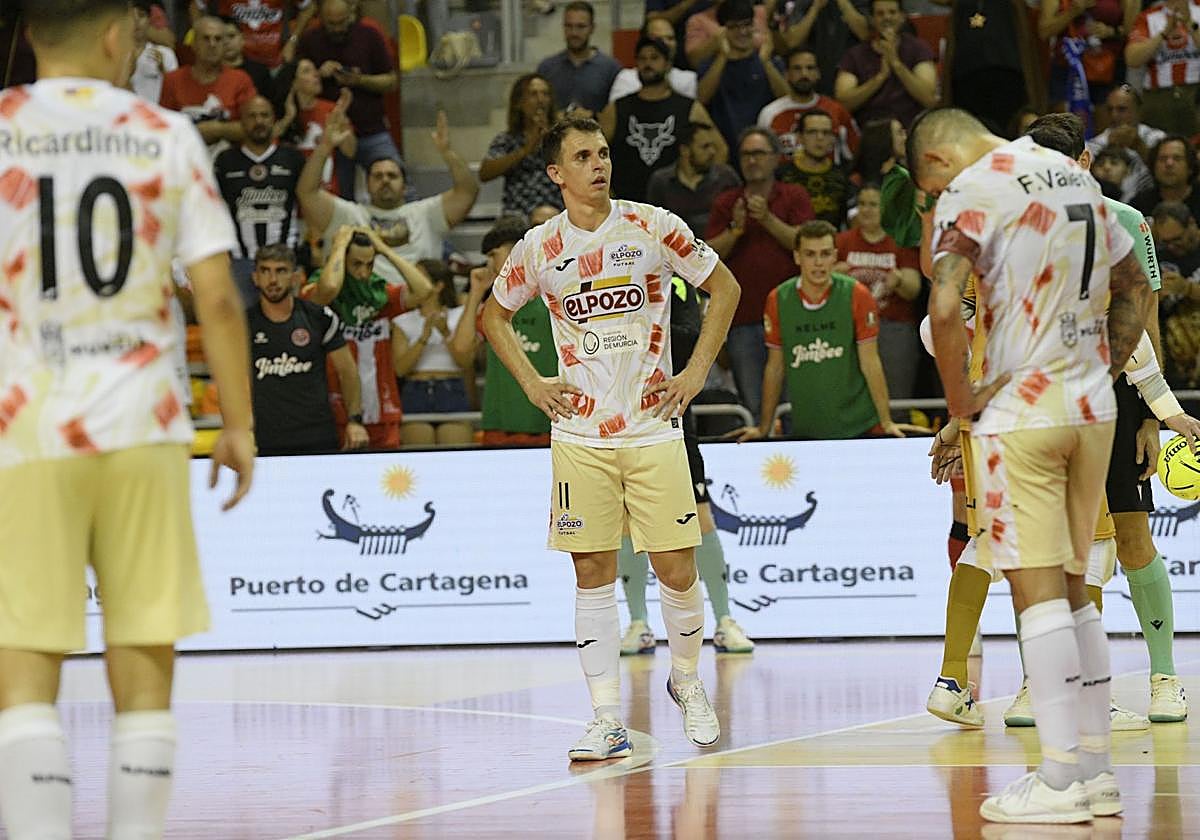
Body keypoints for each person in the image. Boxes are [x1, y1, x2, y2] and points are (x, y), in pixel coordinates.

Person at [0, 2, 254, 837]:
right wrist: (239, 426)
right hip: (143, 423)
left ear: (30, 33)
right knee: (144, 650)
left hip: (27, 428)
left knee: (24, 663)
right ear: (116, 37)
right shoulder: (163, 132)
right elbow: (217, 297)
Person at [911, 106, 1151, 823]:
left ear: (938, 161)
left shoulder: (974, 187)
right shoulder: (1077, 180)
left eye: (930, 187)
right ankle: (1097, 774)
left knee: (1036, 589)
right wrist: (1105, 368)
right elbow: (1136, 287)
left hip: (1023, 410)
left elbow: (944, 308)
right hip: (1092, 404)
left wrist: (963, 405)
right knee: (1078, 587)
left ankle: (1057, 778)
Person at [481, 115, 741, 759]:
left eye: (602, 153)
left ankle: (687, 681)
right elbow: (493, 317)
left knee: (677, 568)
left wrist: (695, 373)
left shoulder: (652, 225)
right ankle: (605, 718)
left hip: (653, 429)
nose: (598, 164)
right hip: (579, 435)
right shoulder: (540, 246)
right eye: (582, 157)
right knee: (591, 572)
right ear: (555, 173)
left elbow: (725, 287)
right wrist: (533, 384)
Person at [618, 276, 755, 656]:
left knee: (700, 516)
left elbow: (688, 340)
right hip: (618, 420)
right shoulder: (606, 279)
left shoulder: (676, 284)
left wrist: (634, 329)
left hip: (672, 418)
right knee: (626, 520)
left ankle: (725, 621)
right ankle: (639, 624)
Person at [730, 220, 904, 441]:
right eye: (810, 254)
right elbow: (775, 367)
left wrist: (886, 421)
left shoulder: (856, 294)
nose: (818, 262)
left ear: (835, 256)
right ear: (797, 257)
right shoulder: (778, 299)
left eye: (825, 254)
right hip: (806, 428)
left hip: (859, 428)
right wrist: (764, 427)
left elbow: (871, 362)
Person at [705, 126, 814, 418]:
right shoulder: (727, 202)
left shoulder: (794, 196)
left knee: (797, 406)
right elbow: (706, 255)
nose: (752, 160)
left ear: (776, 158)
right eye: (746, 155)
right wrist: (735, 230)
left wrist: (767, 219)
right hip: (743, 319)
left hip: (794, 318)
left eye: (759, 153)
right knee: (753, 406)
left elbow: (806, 244)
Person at [298, 107, 478, 282]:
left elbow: (467, 192)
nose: (385, 180)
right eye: (377, 176)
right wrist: (325, 147)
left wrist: (447, 153)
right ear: (367, 186)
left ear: (405, 186)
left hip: (418, 298)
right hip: (366, 299)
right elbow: (307, 193)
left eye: (392, 175)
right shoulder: (348, 214)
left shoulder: (426, 212)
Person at [304, 226, 434, 450]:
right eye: (356, 264)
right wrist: (339, 245)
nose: (364, 273)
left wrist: (384, 249)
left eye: (369, 264)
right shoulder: (319, 290)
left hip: (383, 410)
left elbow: (424, 290)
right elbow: (330, 287)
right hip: (335, 413)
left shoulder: (379, 294)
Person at [248, 243, 368, 454]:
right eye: (265, 271)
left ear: (296, 277)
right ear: (255, 277)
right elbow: (235, 383)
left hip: (318, 436)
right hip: (266, 440)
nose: (272, 279)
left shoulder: (319, 317)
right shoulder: (242, 325)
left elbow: (348, 372)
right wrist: (241, 430)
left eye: (281, 271)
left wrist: (355, 421)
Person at [453, 217, 558, 447]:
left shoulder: (552, 298)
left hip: (551, 422)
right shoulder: (491, 308)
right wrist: (476, 293)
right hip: (500, 423)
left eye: (493, 255)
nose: (488, 264)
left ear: (515, 252)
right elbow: (462, 354)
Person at [599, 35, 724, 204]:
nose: (647, 64)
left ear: (667, 64)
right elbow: (593, 152)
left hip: (676, 207)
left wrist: (703, 189)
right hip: (626, 205)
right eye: (642, 59)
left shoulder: (688, 108)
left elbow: (720, 149)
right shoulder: (617, 108)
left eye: (654, 58)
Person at [297, 0, 400, 199]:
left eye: (341, 22)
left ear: (351, 14)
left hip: (371, 129)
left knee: (398, 184)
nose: (337, 29)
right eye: (331, 24)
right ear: (321, 18)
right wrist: (319, 73)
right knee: (339, 199)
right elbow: (299, 80)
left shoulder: (369, 34)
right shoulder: (310, 39)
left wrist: (359, 80)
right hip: (331, 134)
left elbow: (391, 81)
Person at [214, 95, 305, 304]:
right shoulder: (225, 161)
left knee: (287, 318)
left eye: (264, 115)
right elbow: (215, 211)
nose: (259, 121)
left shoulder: (292, 159)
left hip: (286, 259)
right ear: (241, 121)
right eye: (252, 116)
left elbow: (308, 202)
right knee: (244, 320)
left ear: (274, 119)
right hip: (241, 261)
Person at [834, 183, 920, 399]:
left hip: (893, 327)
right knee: (850, 395)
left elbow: (913, 289)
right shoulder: (842, 241)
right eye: (862, 204)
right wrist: (833, 277)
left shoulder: (901, 241)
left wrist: (900, 281)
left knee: (896, 396)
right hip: (849, 326)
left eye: (873, 204)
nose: (866, 210)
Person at [391, 260, 476, 447]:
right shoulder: (402, 321)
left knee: (457, 456)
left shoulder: (460, 315)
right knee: (419, 457)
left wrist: (445, 332)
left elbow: (465, 362)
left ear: (439, 286)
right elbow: (400, 369)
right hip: (415, 390)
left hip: (451, 389)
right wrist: (424, 337)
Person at [695, 0, 791, 151]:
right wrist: (722, 56)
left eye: (747, 24)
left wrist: (766, 63)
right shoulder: (710, 65)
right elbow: (701, 98)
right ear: (722, 30)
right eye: (734, 27)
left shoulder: (770, 61)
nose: (742, 32)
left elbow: (787, 101)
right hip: (725, 147)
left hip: (766, 147)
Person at [834, 0, 937, 130]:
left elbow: (929, 99)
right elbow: (843, 103)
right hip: (870, 131)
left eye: (892, 12)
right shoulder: (855, 55)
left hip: (911, 129)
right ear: (872, 19)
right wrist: (880, 77)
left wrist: (897, 65)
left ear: (902, 17)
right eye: (880, 14)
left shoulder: (919, 49)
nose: (887, 17)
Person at [159, 14, 256, 149]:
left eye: (218, 39)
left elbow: (253, 126)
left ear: (224, 45)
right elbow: (162, 127)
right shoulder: (172, 80)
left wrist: (217, 129)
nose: (212, 44)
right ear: (194, 44)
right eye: (206, 38)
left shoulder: (240, 80)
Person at [757, 47, 860, 164]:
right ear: (787, 74)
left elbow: (855, 155)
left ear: (818, 73)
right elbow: (762, 158)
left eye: (810, 68)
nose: (804, 74)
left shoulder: (837, 111)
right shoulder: (770, 113)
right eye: (797, 69)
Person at [480, 75, 565, 217]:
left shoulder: (562, 137)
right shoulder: (507, 139)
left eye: (545, 94)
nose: (540, 100)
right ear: (519, 103)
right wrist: (525, 150)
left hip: (556, 213)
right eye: (533, 94)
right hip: (517, 214)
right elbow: (485, 173)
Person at [646, 121, 743, 237]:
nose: (712, 152)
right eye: (705, 147)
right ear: (685, 150)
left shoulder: (726, 177)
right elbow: (653, 225)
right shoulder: (661, 182)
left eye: (713, 146)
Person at [276, 62, 356, 195]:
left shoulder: (330, 109)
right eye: (307, 71)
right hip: (290, 192)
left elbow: (350, 151)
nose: (316, 74)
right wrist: (288, 118)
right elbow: (267, 145)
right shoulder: (280, 113)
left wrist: (341, 118)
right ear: (294, 83)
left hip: (326, 192)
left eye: (315, 70)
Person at [1125, 0, 1200, 136]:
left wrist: (1190, 23)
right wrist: (1163, 33)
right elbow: (1132, 59)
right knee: (1158, 143)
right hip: (1158, 97)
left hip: (1196, 92)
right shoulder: (1147, 17)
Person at [536, 1, 621, 117]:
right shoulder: (546, 68)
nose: (574, 33)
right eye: (569, 26)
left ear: (592, 28)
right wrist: (554, 117)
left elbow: (619, 114)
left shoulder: (611, 69)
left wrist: (593, 116)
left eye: (581, 26)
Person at [777, 108, 852, 227]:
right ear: (799, 137)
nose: (820, 138)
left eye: (826, 133)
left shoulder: (843, 176)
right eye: (812, 132)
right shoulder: (780, 176)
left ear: (832, 138)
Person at [195, 0, 316, 68]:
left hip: (274, 60)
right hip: (233, 62)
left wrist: (292, 41)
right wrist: (202, 38)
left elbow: (309, 7)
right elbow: (196, 6)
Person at [609, 16, 698, 101]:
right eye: (658, 38)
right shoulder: (626, 78)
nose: (666, 43)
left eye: (670, 38)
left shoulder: (688, 79)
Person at [1132, 136, 1200, 221]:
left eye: (1177, 158)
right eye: (1162, 159)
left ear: (1190, 167)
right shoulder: (1139, 206)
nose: (1169, 164)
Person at [130, 0, 179, 104]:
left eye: (141, 16)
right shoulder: (115, 54)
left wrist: (164, 72)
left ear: (149, 20)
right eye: (131, 17)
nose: (136, 21)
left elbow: (177, 92)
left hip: (157, 111)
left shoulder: (165, 54)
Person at [221, 14, 273, 103]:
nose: (226, 42)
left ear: (242, 38)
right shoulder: (209, 73)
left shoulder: (260, 72)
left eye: (231, 36)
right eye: (220, 38)